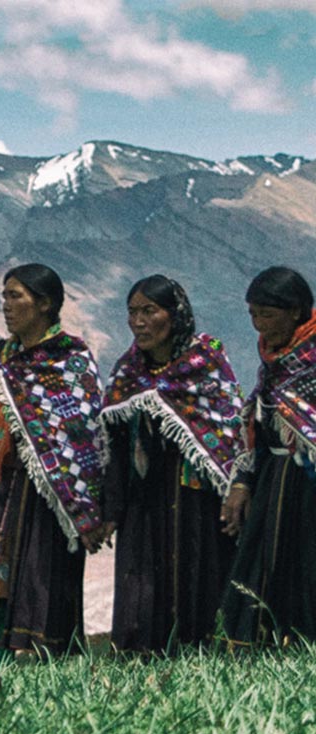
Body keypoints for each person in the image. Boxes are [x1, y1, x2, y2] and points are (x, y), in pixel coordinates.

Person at [0, 263, 107, 662]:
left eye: (15, 296)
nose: (5, 305)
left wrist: (81, 503)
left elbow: (84, 435)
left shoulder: (71, 360)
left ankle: (51, 671)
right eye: (4, 296)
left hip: (47, 498)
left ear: (45, 304)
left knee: (44, 583)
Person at [101, 275, 243, 654]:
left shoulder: (207, 361)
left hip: (197, 498)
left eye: (150, 310)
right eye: (132, 312)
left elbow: (230, 429)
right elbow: (112, 441)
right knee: (143, 580)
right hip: (144, 499)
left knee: (197, 573)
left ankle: (202, 651)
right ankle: (142, 656)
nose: (139, 321)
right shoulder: (127, 372)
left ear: (175, 315)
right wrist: (110, 508)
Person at [219, 266, 316, 648]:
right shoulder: (275, 361)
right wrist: (242, 482)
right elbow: (258, 426)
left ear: (296, 311)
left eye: (267, 315)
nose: (259, 326)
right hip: (275, 482)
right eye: (253, 315)